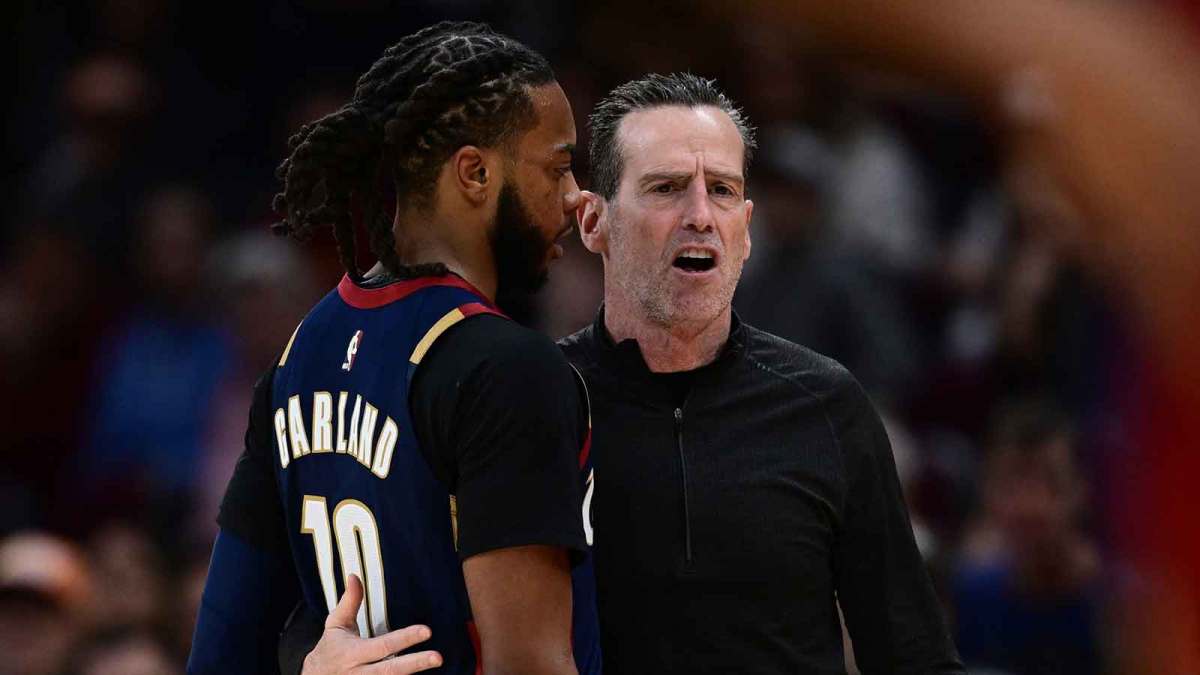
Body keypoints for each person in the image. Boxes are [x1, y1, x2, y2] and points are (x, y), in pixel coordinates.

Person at [292, 73, 963, 674]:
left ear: (747, 228)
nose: (700, 214)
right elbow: (382, 623)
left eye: (722, 191)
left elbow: (912, 657)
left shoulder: (826, 404)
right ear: (593, 220)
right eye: (667, 188)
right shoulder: (515, 404)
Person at [188, 22, 600, 675]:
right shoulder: (507, 369)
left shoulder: (301, 352)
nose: (578, 194)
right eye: (557, 165)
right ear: (474, 172)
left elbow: (218, 655)